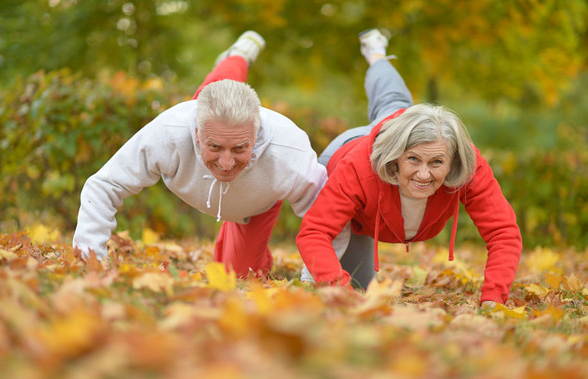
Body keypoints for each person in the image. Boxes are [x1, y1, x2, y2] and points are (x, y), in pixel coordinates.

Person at [296, 29, 522, 308]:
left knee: (394, 99)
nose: (424, 175)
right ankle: (376, 56)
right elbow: (314, 233)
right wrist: (339, 288)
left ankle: (376, 52)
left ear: (452, 159)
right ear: (395, 158)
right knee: (357, 287)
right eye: (413, 160)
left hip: (403, 125)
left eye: (437, 163)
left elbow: (504, 232)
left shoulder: (467, 165)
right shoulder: (356, 166)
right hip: (353, 147)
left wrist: (493, 298)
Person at [73, 31, 327, 277]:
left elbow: (325, 221)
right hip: (208, 126)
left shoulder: (288, 153)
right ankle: (237, 57)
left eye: (240, 148)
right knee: (217, 89)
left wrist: (314, 278)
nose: (226, 164)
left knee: (243, 275)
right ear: (196, 132)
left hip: (256, 202)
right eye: (214, 147)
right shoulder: (170, 132)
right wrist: (90, 261)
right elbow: (104, 185)